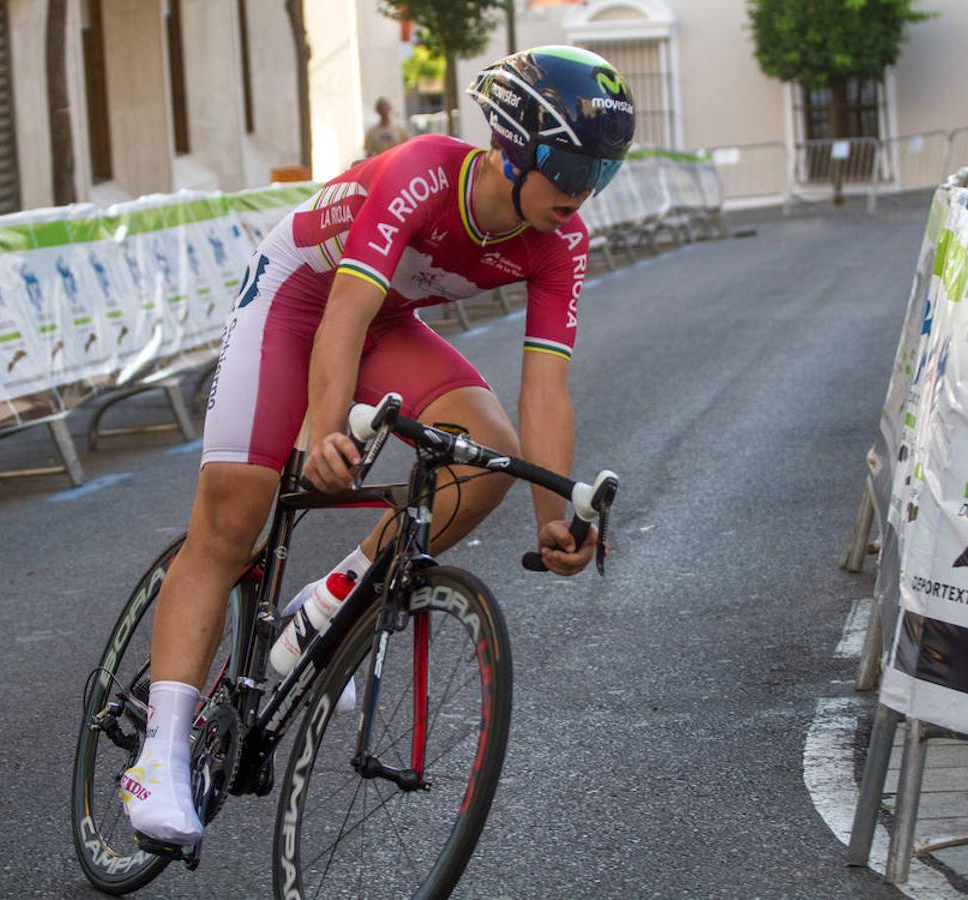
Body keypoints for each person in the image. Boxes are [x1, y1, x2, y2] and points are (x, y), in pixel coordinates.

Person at [116, 45, 636, 847]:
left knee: (483, 456)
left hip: (386, 323)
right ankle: (160, 752)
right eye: (569, 166)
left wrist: (554, 513)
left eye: (598, 175)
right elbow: (341, 319)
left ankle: (327, 600)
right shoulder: (423, 171)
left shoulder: (560, 241)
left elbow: (545, 391)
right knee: (233, 519)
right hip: (299, 300)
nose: (580, 193)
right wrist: (325, 433)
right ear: (514, 146)